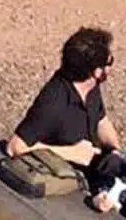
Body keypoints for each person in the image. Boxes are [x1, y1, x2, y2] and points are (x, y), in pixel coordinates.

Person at [7, 27, 120, 168]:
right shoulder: (54, 101)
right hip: (59, 178)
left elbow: (101, 120)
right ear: (97, 72)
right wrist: (71, 153)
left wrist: (116, 152)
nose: (111, 67)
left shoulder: (90, 86)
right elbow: (15, 147)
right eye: (110, 62)